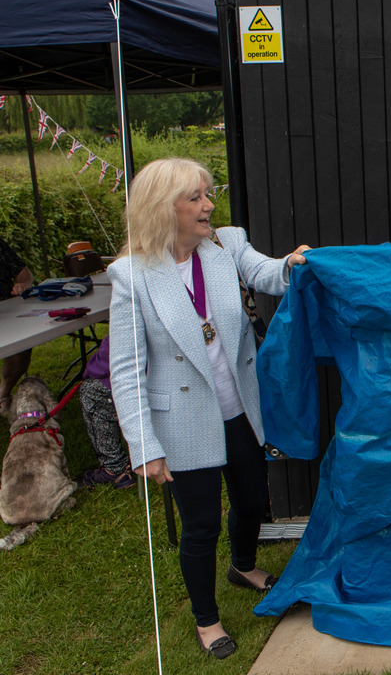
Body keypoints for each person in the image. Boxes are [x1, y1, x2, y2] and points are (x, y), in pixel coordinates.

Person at [107, 158, 310, 659]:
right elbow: (126, 370)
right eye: (195, 197)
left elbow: (265, 272)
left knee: (252, 501)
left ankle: (243, 566)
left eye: (208, 193)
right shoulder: (131, 276)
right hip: (180, 420)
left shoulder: (226, 243)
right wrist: (144, 446)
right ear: (164, 208)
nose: (208, 205)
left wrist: (290, 264)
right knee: (201, 526)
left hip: (238, 407)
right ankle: (207, 620)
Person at [77, 336, 135, 489]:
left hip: (147, 382)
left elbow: (108, 358)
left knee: (91, 390)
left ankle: (115, 468)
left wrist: (91, 368)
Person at [0, 236, 35, 413]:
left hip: (9, 312)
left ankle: (2, 394)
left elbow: (24, 273)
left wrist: (23, 283)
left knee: (21, 349)